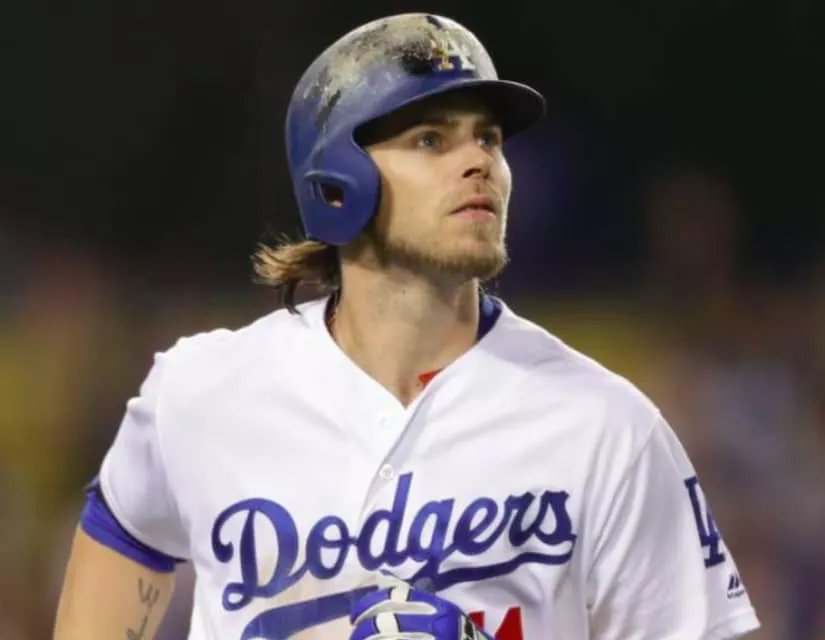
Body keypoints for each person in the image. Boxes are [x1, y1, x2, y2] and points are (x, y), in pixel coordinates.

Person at [53, 12, 761, 640]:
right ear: (337, 183)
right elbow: (126, 529)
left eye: (488, 139)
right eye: (431, 140)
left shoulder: (604, 426)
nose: (479, 161)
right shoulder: (205, 392)